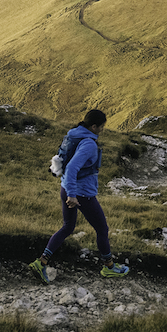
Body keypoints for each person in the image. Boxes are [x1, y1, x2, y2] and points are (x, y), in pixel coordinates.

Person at [30, 108, 128, 282]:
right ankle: (109, 267)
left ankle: (41, 262)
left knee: (68, 227)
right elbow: (73, 167)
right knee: (102, 229)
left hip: (65, 188)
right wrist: (73, 195)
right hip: (81, 194)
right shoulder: (88, 144)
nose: (102, 130)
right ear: (94, 126)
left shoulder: (73, 135)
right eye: (101, 127)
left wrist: (69, 191)